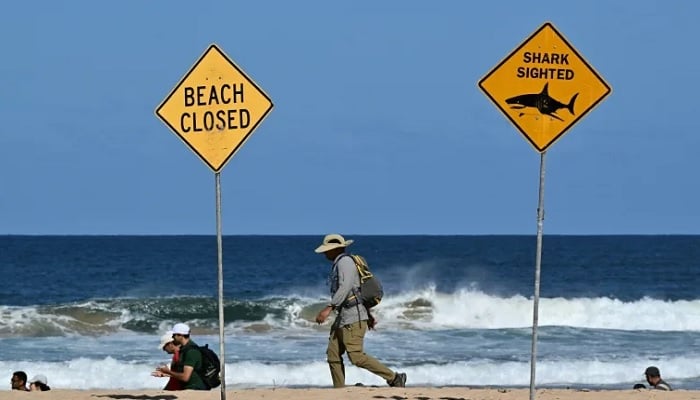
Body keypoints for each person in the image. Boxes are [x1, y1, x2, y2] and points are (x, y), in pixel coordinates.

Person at [314, 233, 407, 388]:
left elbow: (346, 287)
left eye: (327, 250)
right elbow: (356, 293)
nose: (324, 253)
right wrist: (368, 315)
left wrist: (328, 308)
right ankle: (339, 390)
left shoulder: (344, 262)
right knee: (333, 354)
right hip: (344, 317)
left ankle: (394, 378)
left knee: (356, 357)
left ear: (335, 250)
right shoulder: (340, 263)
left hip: (352, 318)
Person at [156, 323, 208, 390]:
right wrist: (165, 374)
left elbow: (185, 377)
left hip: (194, 388)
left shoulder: (191, 351)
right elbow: (183, 374)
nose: (172, 337)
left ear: (180, 335)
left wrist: (168, 372)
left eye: (174, 335)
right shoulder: (184, 350)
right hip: (188, 387)